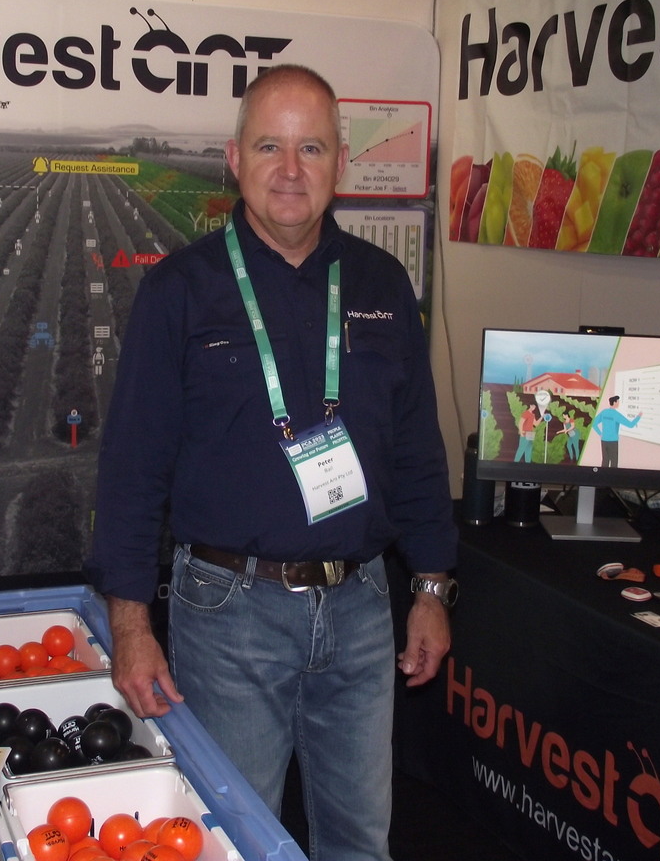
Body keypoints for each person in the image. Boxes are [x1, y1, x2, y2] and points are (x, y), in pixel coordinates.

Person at [87, 64, 457, 860]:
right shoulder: (180, 290)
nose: (291, 170)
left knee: (360, 841)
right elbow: (132, 469)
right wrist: (131, 625)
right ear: (234, 158)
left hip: (361, 609)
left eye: (311, 148)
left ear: (340, 163)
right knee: (240, 840)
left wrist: (431, 587)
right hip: (230, 614)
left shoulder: (382, 284)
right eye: (269, 147)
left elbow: (417, 450)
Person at [591, 394, 642, 468]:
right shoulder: (616, 414)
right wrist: (639, 416)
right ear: (614, 402)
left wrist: (600, 433)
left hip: (604, 440)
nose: (618, 403)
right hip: (613, 441)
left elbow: (593, 424)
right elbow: (630, 425)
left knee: (605, 461)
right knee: (614, 462)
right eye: (618, 402)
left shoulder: (604, 412)